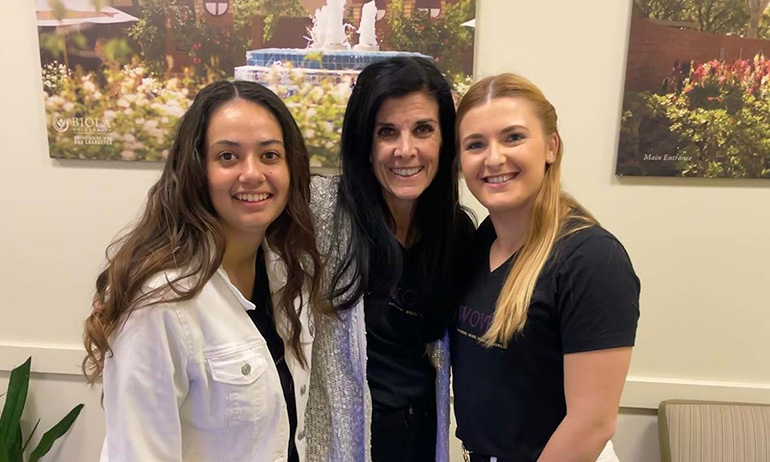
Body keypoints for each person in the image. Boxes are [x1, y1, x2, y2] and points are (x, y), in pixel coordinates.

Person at [82, 80, 327, 462]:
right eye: (228, 157)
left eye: (269, 155)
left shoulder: (289, 273)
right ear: (197, 169)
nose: (252, 173)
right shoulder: (159, 303)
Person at [450, 73, 640, 462]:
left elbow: (592, 423)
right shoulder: (478, 242)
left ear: (551, 146)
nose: (494, 158)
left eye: (513, 137)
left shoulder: (591, 259)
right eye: (475, 144)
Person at [305, 56, 473, 462]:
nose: (405, 150)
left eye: (423, 130)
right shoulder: (321, 212)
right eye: (386, 132)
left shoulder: (456, 233)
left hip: (419, 437)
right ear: (365, 142)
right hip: (339, 443)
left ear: (444, 140)